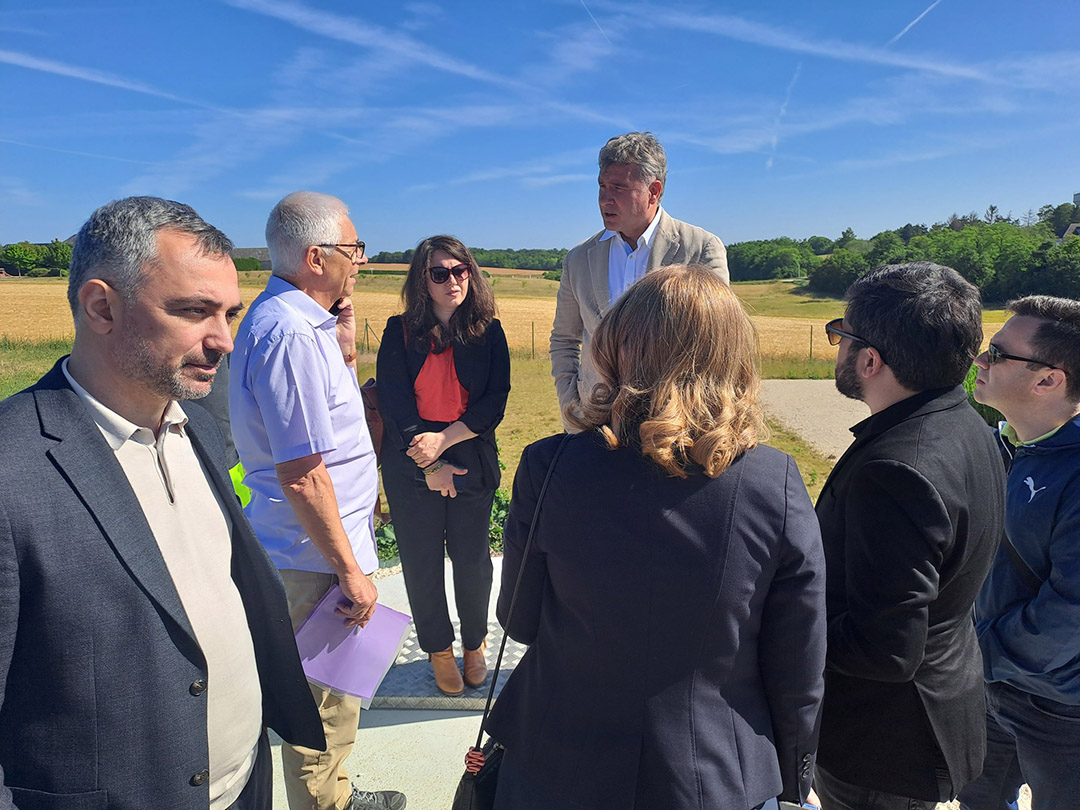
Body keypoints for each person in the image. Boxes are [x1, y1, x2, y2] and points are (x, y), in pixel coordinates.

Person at [0, 196, 324, 810]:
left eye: (230, 313)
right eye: (194, 311)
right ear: (101, 307)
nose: (225, 341)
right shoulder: (11, 467)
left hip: (244, 787)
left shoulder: (196, 428)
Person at [486, 264, 826, 810]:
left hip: (554, 762)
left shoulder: (548, 465)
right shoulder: (774, 482)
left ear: (617, 346)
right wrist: (794, 778)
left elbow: (519, 619)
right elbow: (799, 666)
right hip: (713, 775)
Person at [229, 191, 405, 810]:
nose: (360, 260)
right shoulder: (290, 334)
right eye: (353, 248)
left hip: (320, 552)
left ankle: (338, 796)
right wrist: (351, 571)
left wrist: (347, 339)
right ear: (315, 256)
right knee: (321, 715)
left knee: (333, 706)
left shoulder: (305, 326)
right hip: (316, 561)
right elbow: (303, 472)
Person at [813, 262, 1005, 809]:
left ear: (869, 360)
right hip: (935, 712)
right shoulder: (965, 422)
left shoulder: (897, 468)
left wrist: (780, 621)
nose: (837, 346)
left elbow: (886, 649)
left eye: (841, 335)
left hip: (884, 745)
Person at [957, 296, 1080, 810]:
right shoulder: (998, 444)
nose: (979, 361)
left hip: (1059, 707)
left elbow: (1071, 610)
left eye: (997, 353)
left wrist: (978, 649)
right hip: (992, 685)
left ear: (1048, 379)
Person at [375, 235, 510, 696]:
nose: (452, 280)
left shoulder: (489, 331)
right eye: (439, 273)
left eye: (460, 270)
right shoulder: (399, 331)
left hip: (469, 451)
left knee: (473, 561)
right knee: (422, 561)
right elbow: (393, 403)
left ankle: (475, 644)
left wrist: (445, 441)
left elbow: (495, 402)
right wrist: (428, 462)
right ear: (422, 280)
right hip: (410, 458)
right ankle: (437, 649)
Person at [550, 131, 728, 429]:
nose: (604, 198)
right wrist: (572, 408)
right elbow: (564, 340)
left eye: (618, 187)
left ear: (653, 191)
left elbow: (716, 345)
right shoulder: (578, 259)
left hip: (674, 428)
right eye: (602, 186)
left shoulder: (700, 249)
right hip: (593, 427)